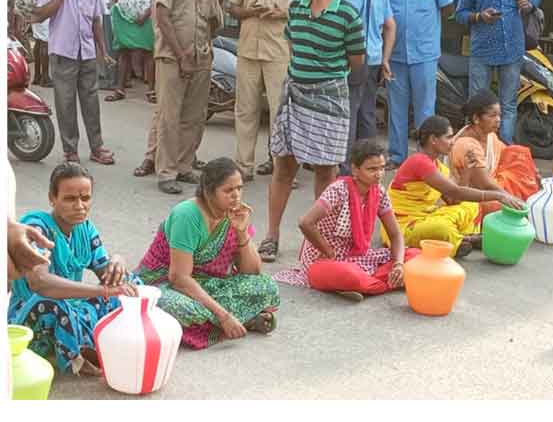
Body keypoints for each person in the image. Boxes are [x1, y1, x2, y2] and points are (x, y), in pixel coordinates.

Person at [262, 0, 366, 262]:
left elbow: (357, 60)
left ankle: (319, 240)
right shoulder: (296, 7)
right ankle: (271, 236)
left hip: (330, 100)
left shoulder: (346, 14)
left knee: (325, 171)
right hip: (295, 94)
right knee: (284, 167)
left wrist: (323, 76)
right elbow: (294, 43)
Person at [7, 163, 140, 376]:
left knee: (131, 284)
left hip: (71, 306)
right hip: (31, 315)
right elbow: (40, 283)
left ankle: (97, 342)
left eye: (85, 198)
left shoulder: (85, 228)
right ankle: (73, 355)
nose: (80, 206)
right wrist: (102, 291)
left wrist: (118, 261)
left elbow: (105, 271)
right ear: (52, 198)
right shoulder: (37, 227)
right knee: (51, 303)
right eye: (70, 199)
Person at [135, 158, 280, 349]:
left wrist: (241, 231)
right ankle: (235, 321)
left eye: (239, 188)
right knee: (178, 307)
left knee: (267, 286)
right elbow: (179, 278)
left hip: (204, 283)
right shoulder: (187, 215)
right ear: (208, 191)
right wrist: (224, 315)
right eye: (228, 190)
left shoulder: (234, 214)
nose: (236, 196)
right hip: (165, 284)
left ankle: (218, 323)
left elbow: (252, 271)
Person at [274, 140, 418, 301]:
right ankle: (383, 283)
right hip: (325, 260)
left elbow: (396, 235)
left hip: (358, 258)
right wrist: (328, 251)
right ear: (355, 170)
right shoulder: (338, 190)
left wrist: (398, 264)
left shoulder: (379, 192)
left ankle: (368, 285)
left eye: (382, 168)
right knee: (349, 275)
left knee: (416, 255)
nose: (379, 174)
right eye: (372, 169)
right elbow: (305, 223)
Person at [386, 116, 525, 258]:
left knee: (472, 207)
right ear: (433, 140)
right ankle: (459, 241)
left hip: (426, 215)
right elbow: (456, 192)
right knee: (442, 228)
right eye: (448, 137)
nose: (453, 142)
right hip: (404, 225)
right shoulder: (419, 161)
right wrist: (498, 195)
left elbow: (453, 201)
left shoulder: (439, 167)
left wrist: (467, 173)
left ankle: (463, 238)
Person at [150, 0, 223, 194]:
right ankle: (166, 172)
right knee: (170, 117)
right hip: (172, 58)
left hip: (201, 59)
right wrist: (182, 56)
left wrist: (203, 45)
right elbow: (162, 18)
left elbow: (216, 18)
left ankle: (184, 166)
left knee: (194, 116)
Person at [32, 0, 115, 165]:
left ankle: (97, 148)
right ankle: (70, 151)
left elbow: (96, 20)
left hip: (86, 53)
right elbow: (38, 15)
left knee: (91, 102)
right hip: (62, 53)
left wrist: (102, 50)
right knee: (65, 103)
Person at [455, 0, 542, 144]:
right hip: (482, 51)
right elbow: (459, 14)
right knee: (478, 104)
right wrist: (479, 16)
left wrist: (529, 4)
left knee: (508, 104)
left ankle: (503, 148)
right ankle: (477, 147)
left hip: (512, 50)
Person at [227, 0, 297, 182]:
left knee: (280, 112)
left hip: (279, 52)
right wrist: (251, 12)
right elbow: (231, 8)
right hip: (247, 50)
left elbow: (304, 11)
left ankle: (281, 165)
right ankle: (244, 166)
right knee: (246, 110)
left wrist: (282, 13)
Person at [380, 0, 454, 170]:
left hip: (424, 54)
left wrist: (426, 27)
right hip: (396, 55)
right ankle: (397, 156)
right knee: (397, 108)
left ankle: (426, 157)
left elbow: (447, 8)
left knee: (425, 108)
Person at [337, 0, 396, 175]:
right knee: (367, 112)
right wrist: (385, 58)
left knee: (349, 112)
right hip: (372, 57)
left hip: (354, 57)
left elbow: (345, 22)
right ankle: (370, 162)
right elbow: (390, 24)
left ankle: (346, 167)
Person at [450, 90, 541, 217]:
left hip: (490, 185)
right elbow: (484, 184)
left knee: (519, 154)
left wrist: (531, 170)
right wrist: (508, 197)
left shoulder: (490, 136)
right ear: (476, 118)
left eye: (499, 115)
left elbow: (508, 155)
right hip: (472, 194)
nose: (498, 120)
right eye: (492, 116)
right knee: (497, 206)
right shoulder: (467, 145)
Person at [105, 0, 158, 102]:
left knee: (148, 54)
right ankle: (119, 89)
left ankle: (152, 91)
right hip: (124, 20)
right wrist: (113, 8)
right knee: (123, 53)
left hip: (145, 19)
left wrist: (147, 13)